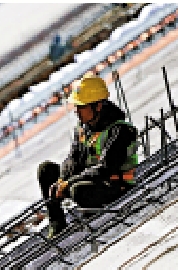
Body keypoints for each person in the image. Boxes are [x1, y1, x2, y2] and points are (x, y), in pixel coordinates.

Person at [36, 75, 139, 236]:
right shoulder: (84, 128)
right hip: (89, 179)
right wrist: (62, 180)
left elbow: (106, 168)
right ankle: (57, 224)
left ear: (98, 106)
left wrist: (69, 184)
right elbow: (73, 158)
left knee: (77, 190)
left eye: (81, 106)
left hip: (115, 186)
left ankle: (92, 214)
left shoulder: (120, 130)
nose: (76, 111)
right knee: (46, 170)